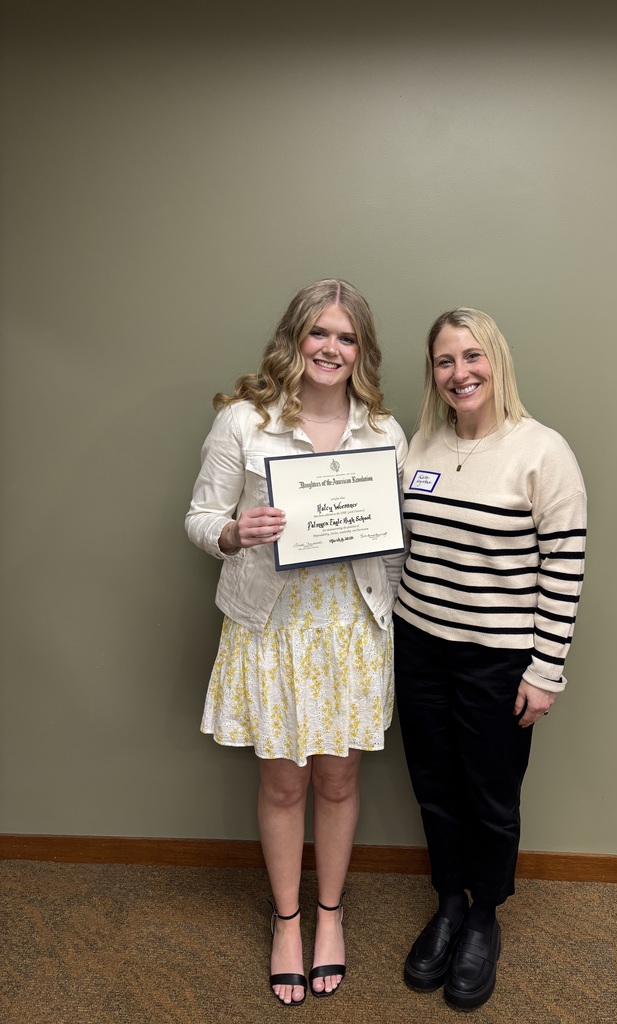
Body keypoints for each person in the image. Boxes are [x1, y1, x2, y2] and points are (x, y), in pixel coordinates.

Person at [185, 279, 407, 1006]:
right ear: (294, 338)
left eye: (346, 337)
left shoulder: (384, 431)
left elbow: (397, 542)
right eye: (319, 332)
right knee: (284, 785)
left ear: (361, 351)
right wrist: (232, 532)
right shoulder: (244, 421)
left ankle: (330, 917)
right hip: (273, 627)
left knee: (339, 781)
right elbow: (199, 516)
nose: (331, 349)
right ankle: (287, 923)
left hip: (352, 628)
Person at [393, 308, 586, 1011]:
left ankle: (483, 916)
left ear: (496, 360)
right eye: (445, 361)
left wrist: (545, 669)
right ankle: (449, 901)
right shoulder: (419, 445)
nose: (460, 373)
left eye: (472, 356)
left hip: (498, 661)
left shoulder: (542, 452)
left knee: (491, 797)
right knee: (434, 785)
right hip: (417, 644)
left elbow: (564, 565)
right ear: (433, 373)